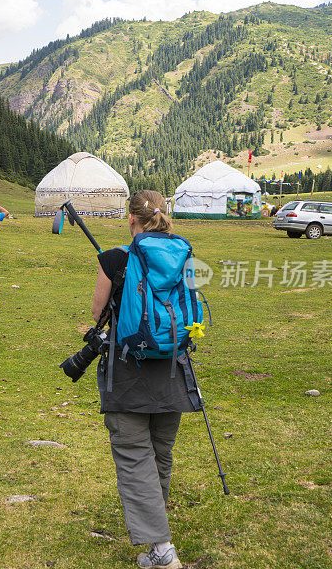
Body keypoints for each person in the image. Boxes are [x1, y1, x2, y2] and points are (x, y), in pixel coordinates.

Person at [90, 190, 198, 569]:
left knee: (135, 457)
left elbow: (97, 310)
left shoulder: (116, 258)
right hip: (173, 371)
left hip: (128, 374)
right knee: (159, 455)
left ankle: (163, 549)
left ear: (131, 219)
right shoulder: (184, 255)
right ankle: (155, 543)